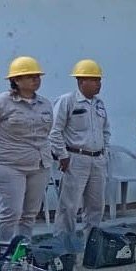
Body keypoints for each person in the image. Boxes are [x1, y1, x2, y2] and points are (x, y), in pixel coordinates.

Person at [0, 56, 53, 243]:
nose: (36, 79)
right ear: (16, 80)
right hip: (9, 165)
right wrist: (0, 153)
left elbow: (46, 132)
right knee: (11, 212)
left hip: (39, 165)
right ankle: (3, 253)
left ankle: (22, 252)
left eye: (37, 76)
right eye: (29, 76)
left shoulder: (45, 104)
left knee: (30, 213)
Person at [48, 59, 110, 254]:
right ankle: (62, 247)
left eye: (99, 80)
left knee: (96, 205)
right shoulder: (67, 101)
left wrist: (104, 151)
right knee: (69, 205)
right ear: (81, 81)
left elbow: (106, 131)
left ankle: (92, 246)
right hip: (76, 158)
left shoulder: (99, 104)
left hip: (97, 159)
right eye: (94, 80)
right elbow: (54, 131)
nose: (99, 84)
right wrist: (62, 155)